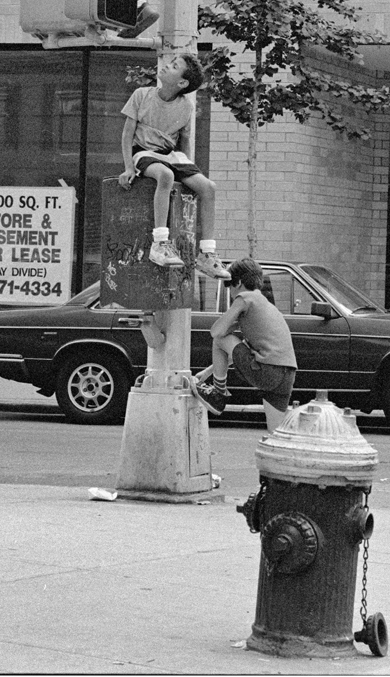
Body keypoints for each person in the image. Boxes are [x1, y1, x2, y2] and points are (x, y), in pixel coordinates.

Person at [118, 52, 229, 279]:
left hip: (171, 155)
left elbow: (185, 142)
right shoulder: (141, 95)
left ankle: (207, 254)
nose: (166, 66)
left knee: (209, 187)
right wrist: (129, 167)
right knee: (165, 176)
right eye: (170, 63)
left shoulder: (186, 107)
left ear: (182, 83)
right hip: (144, 153)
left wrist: (189, 171)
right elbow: (127, 134)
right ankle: (159, 243)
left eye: (174, 66)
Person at [195, 257, 297, 432]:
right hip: (286, 374)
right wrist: (206, 373)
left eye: (230, 286)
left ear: (239, 282)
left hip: (266, 370)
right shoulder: (265, 304)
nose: (230, 292)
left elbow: (216, 333)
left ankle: (218, 394)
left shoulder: (245, 297)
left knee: (221, 338)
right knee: (276, 434)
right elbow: (239, 352)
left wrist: (229, 324)